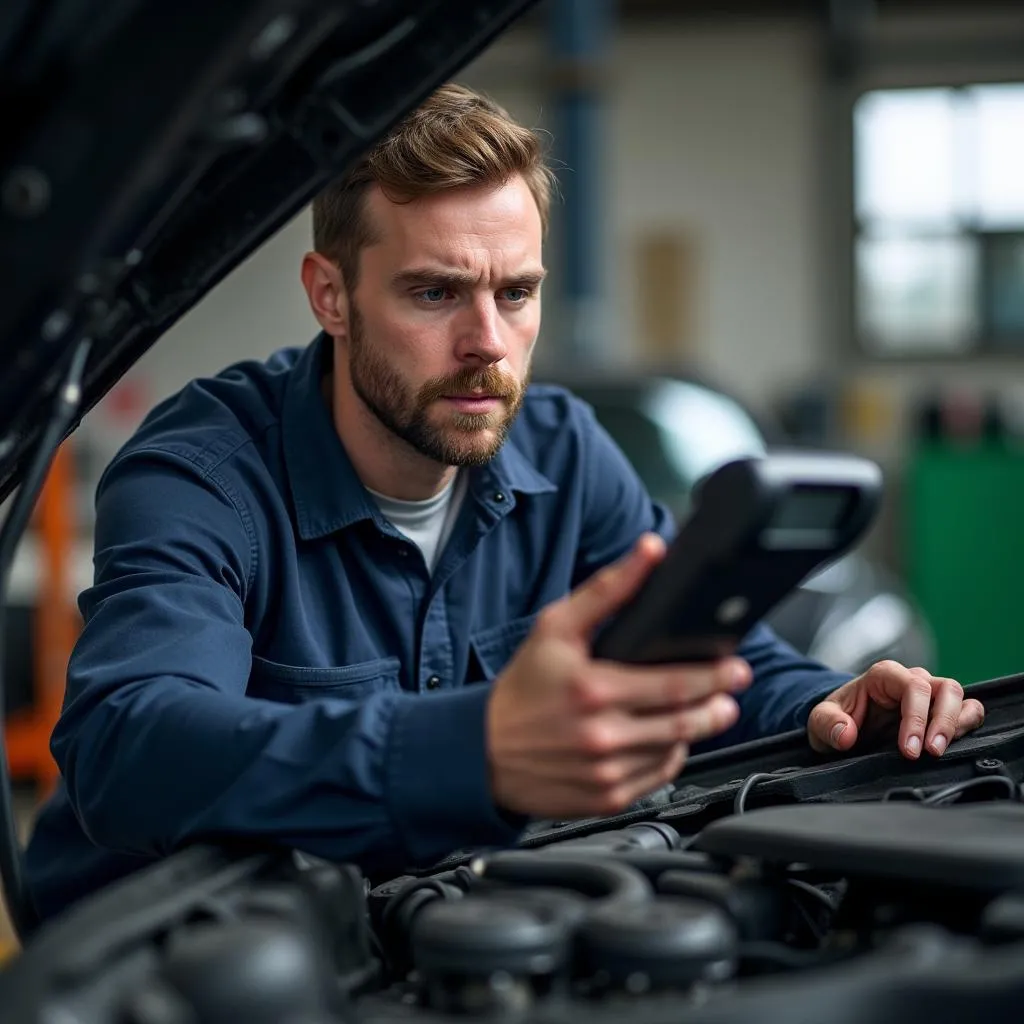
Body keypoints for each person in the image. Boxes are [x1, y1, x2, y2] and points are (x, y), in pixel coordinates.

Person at [23, 84, 984, 923]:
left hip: (421, 942)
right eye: (436, 293)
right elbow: (130, 746)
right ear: (331, 295)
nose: (489, 341)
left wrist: (827, 704)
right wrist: (472, 751)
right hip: (171, 972)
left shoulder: (564, 453)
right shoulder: (203, 475)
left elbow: (697, 652)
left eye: (516, 293)